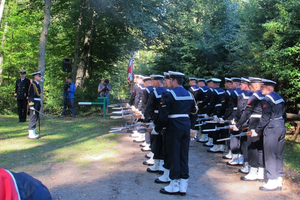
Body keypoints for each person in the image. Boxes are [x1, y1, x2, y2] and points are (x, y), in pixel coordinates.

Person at [153, 71, 197, 195]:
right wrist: (191, 128)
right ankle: (183, 184)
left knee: (173, 155)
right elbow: (194, 112)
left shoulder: (168, 94)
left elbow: (163, 116)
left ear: (173, 80)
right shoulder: (189, 94)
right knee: (184, 154)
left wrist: (158, 128)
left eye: (170, 80)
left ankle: (174, 184)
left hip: (173, 127)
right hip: (185, 126)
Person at [254, 79, 285, 191]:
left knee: (270, 154)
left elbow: (265, 117)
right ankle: (278, 179)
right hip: (281, 125)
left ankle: (272, 180)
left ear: (268, 88)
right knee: (278, 154)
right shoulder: (279, 97)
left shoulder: (267, 99)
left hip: (272, 127)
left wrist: (257, 130)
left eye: (262, 87)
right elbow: (283, 113)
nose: (261, 89)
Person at [28, 71, 42, 139]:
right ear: (35, 77)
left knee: (35, 117)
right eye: (39, 76)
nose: (40, 77)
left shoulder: (37, 84)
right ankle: (30, 133)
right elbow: (31, 95)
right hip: (34, 103)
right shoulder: (32, 85)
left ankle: (33, 131)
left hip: (37, 102)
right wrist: (31, 105)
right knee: (33, 118)